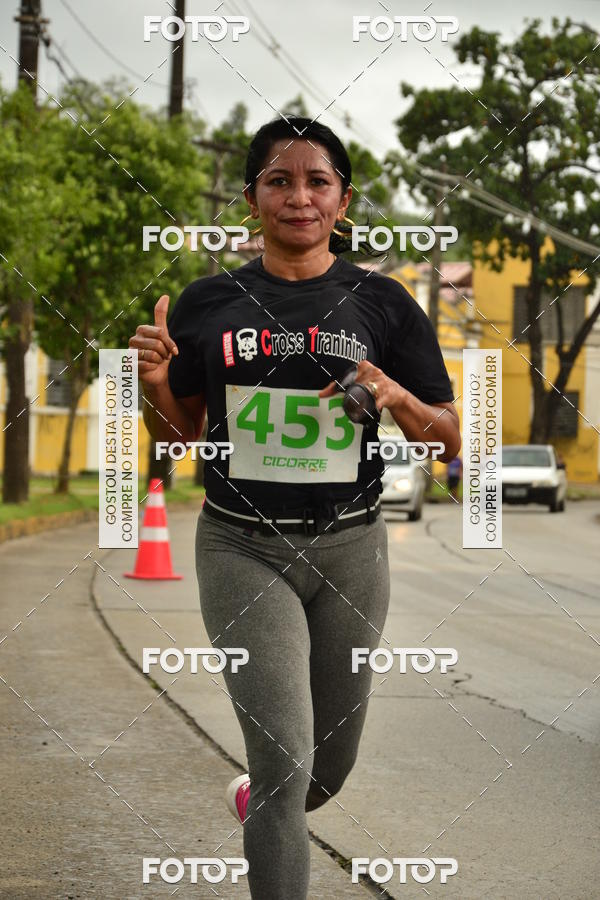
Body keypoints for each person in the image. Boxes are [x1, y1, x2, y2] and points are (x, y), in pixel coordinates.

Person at [131, 116, 461, 900]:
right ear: (252, 201)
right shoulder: (210, 302)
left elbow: (451, 442)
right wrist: (152, 389)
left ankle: (263, 801)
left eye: (317, 181)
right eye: (279, 181)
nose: (299, 196)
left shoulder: (382, 301)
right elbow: (181, 436)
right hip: (242, 548)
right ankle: (271, 806)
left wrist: (389, 391)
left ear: (342, 201)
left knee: (326, 768)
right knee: (285, 761)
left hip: (352, 548)